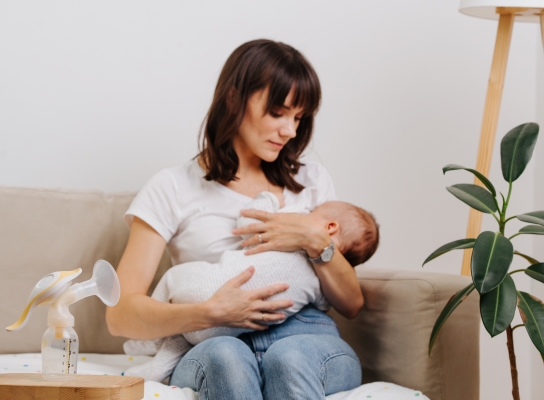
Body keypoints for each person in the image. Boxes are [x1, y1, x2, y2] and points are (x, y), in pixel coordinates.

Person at [106, 39, 369, 399]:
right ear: (233, 99)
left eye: (298, 118)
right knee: (225, 356)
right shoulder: (172, 187)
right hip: (212, 342)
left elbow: (351, 304)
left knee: (288, 358)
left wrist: (314, 240)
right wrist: (207, 313)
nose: (290, 131)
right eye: (278, 113)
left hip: (307, 336)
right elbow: (120, 315)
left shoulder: (313, 182)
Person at [122, 191, 380, 383]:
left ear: (330, 227)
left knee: (173, 279)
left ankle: (152, 344)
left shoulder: (290, 232)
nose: (288, 130)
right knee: (207, 345)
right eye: (277, 114)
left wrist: (267, 200)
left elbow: (247, 225)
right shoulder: (321, 284)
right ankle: (159, 360)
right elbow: (328, 302)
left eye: (313, 212)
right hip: (221, 328)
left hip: (206, 309)